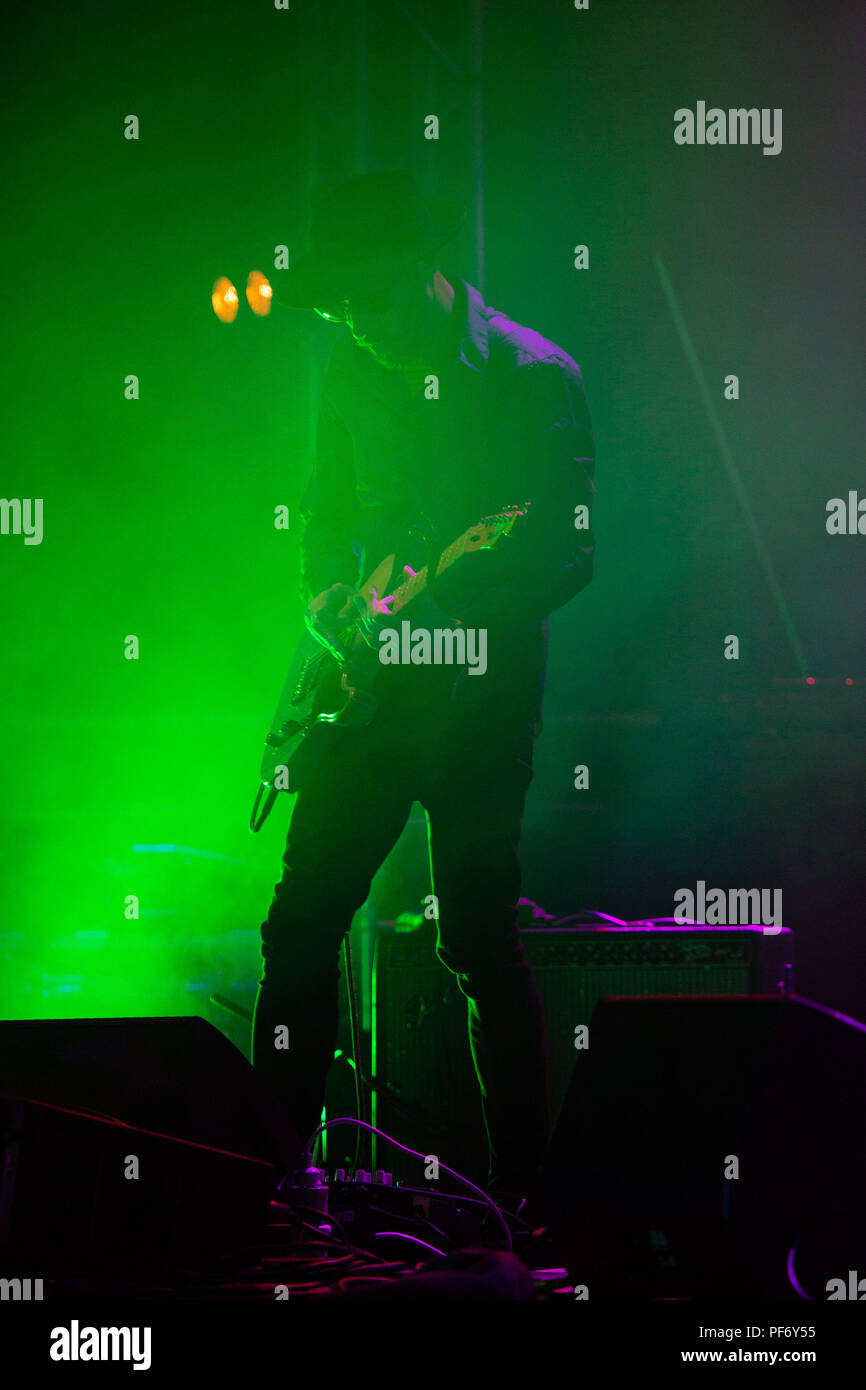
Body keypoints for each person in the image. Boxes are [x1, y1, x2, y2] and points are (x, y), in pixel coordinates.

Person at [252, 170, 596, 1219]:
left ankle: (523, 1203)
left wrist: (449, 607)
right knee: (299, 923)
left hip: (481, 700)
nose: (361, 332)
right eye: (343, 315)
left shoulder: (534, 379)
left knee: (478, 941)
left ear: (428, 275)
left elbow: (568, 560)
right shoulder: (352, 373)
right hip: (365, 697)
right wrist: (333, 608)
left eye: (374, 305)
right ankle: (270, 1182)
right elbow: (324, 523)